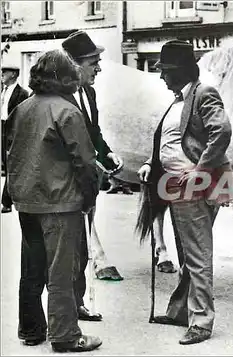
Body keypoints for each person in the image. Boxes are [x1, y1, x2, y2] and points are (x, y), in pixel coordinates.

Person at [137, 39, 233, 345]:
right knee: (188, 253)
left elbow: (222, 132)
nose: (162, 76)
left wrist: (200, 171)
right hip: (175, 184)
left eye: (165, 71)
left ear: (179, 71)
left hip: (193, 186)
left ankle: (201, 322)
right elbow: (172, 139)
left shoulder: (203, 94)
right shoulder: (180, 99)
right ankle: (181, 311)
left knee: (197, 254)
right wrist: (152, 164)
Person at [8, 49, 102, 352]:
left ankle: (31, 329)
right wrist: (89, 195)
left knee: (31, 269)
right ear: (67, 78)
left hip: (27, 201)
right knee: (62, 271)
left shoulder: (22, 108)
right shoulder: (67, 111)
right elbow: (85, 163)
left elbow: (10, 152)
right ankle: (65, 336)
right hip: (60, 203)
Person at [62, 30, 125, 323]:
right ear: (75, 65)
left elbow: (93, 131)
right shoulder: (57, 96)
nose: (98, 68)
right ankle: (61, 316)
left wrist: (107, 153)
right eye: (93, 63)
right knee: (66, 253)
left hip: (86, 185)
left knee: (83, 248)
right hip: (64, 187)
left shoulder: (89, 92)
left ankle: (78, 303)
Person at [1, 62, 29, 213]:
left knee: (11, 165)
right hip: (1, 129)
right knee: (5, 165)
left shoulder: (23, 94)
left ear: (13, 74)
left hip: (12, 131)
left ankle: (7, 202)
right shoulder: (2, 90)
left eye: (4, 73)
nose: (2, 76)